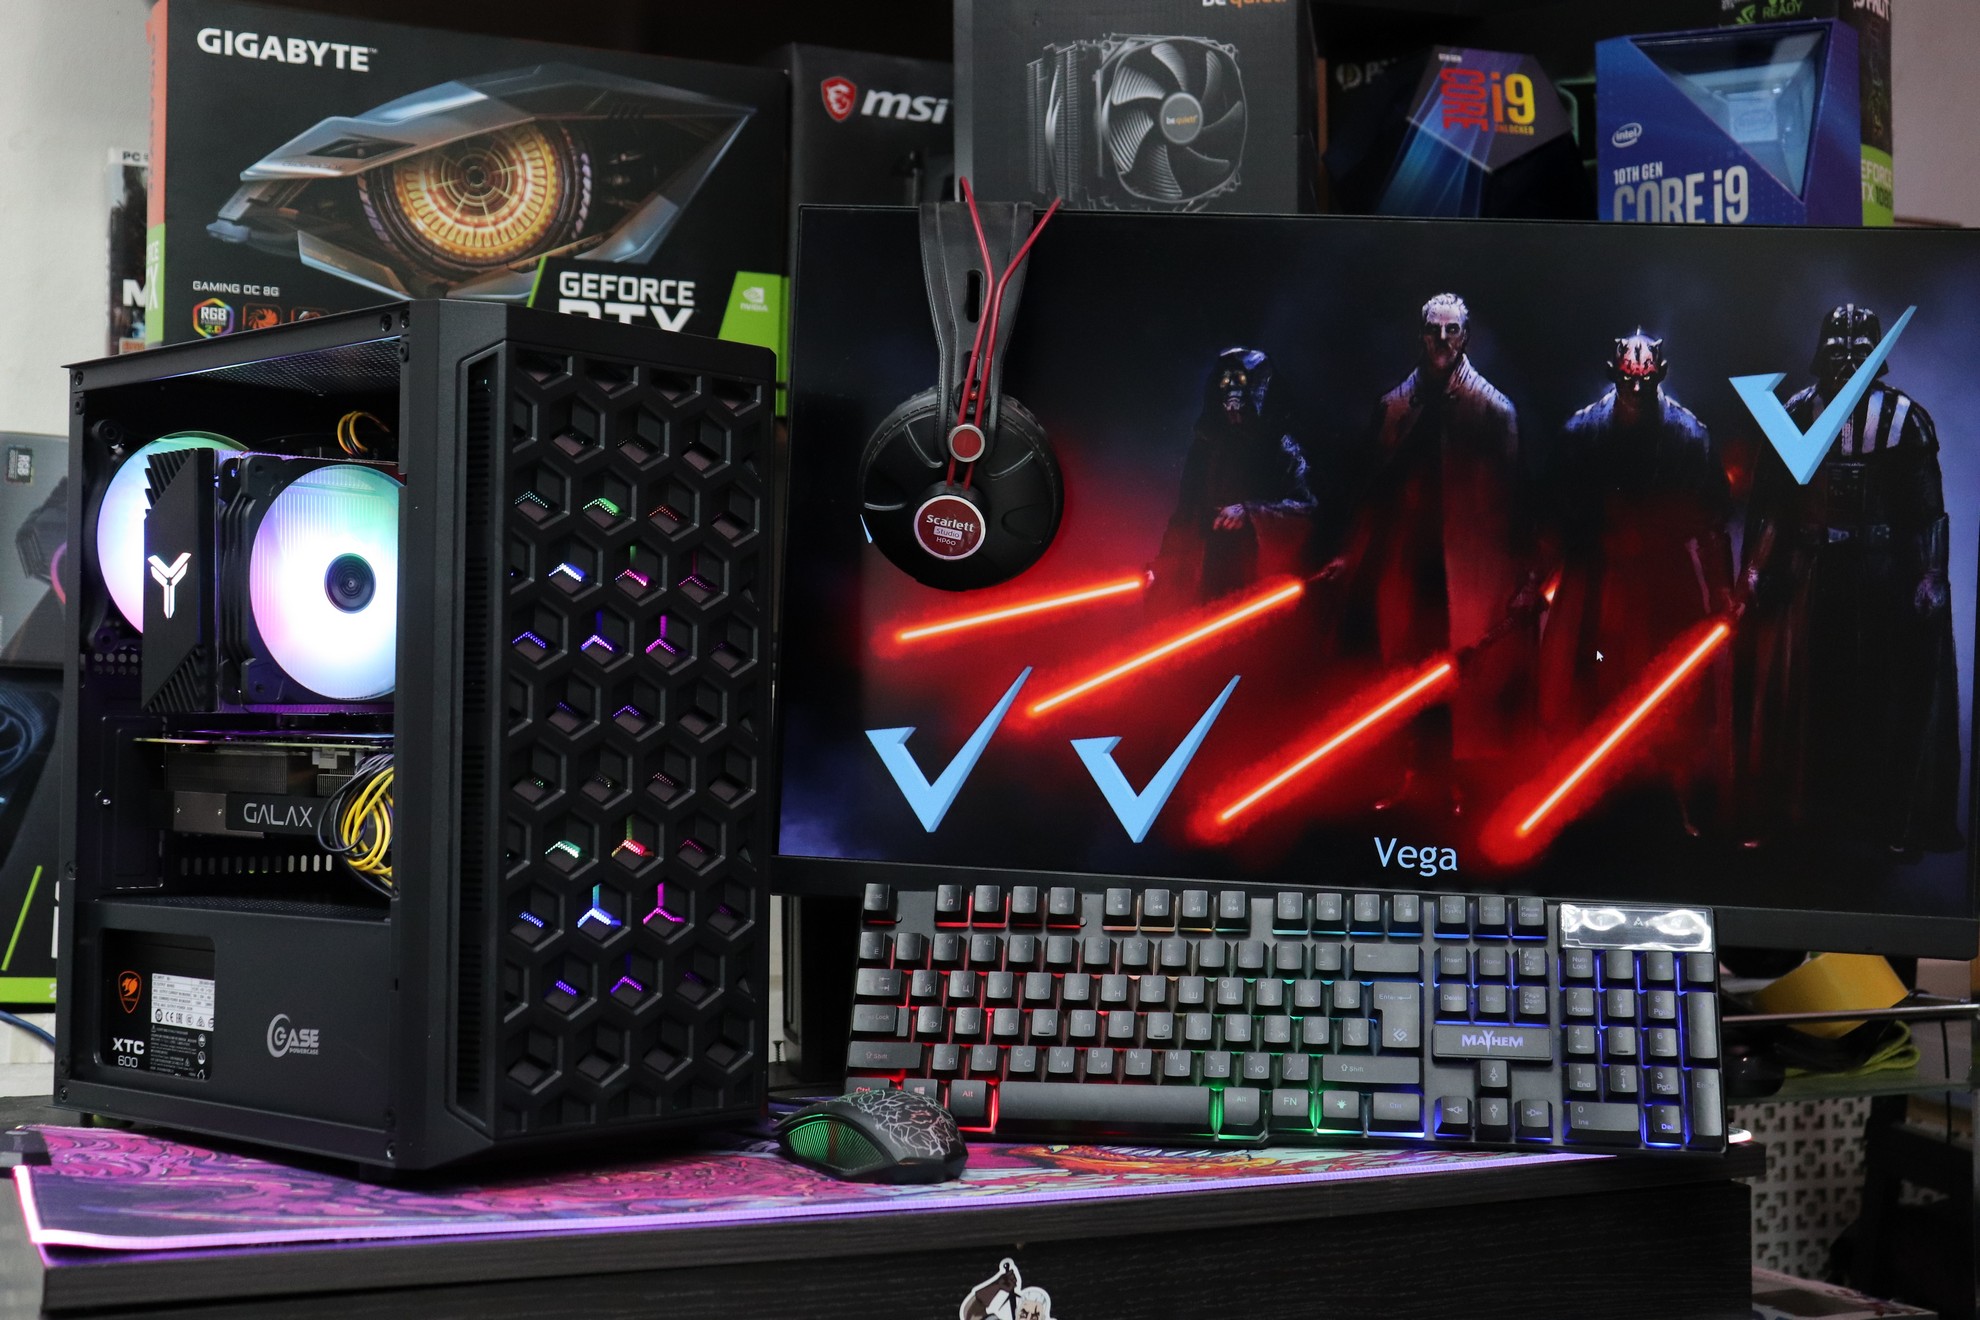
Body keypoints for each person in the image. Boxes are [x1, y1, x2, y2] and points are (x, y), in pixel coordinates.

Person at [1739, 304, 1962, 858]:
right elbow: (1770, 506)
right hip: (1811, 578)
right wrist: (1756, 567)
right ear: (1821, 353)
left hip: (1882, 578)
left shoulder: (1907, 420)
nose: (1846, 362)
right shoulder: (1794, 413)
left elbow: (1928, 513)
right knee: (1807, 698)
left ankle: (1889, 818)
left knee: (1883, 696)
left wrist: (1931, 573)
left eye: (1858, 351)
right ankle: (1797, 813)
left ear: (1876, 356)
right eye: (1837, 350)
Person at [1324, 292, 1533, 808]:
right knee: (1405, 670)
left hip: (1468, 567)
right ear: (1421, 335)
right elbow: (1372, 490)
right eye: (1434, 330)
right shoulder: (1394, 407)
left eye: (1451, 330)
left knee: (1462, 673)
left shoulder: (1493, 409)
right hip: (1407, 560)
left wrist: (1520, 574)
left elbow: (1511, 502)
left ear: (1465, 336)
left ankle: (1457, 782)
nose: (1442, 340)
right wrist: (1355, 552)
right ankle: (1412, 773)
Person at [1536, 331, 1734, 829]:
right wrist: (1538, 576)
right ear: (1615, 374)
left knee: (1673, 691)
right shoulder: (1582, 430)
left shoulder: (1689, 434)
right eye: (1629, 380)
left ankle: (1678, 786)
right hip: (1598, 581)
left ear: (1660, 375)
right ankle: (1586, 794)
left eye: (1645, 380)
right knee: (1589, 681)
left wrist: (1721, 589)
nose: (1637, 390)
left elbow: (1712, 520)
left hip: (1664, 580)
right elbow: (1555, 513)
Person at [1147, 347, 1316, 611]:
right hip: (1206, 569)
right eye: (1225, 380)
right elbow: (1184, 514)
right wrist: (1162, 567)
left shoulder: (1283, 445)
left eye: (1241, 379)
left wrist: (1250, 512)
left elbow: (1307, 508)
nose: (1232, 388)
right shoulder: (1205, 448)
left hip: (1255, 575)